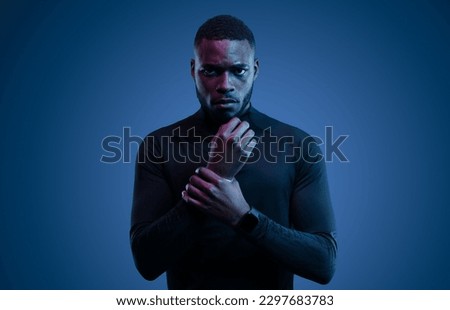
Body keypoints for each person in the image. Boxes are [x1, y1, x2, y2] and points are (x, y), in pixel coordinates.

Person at [130, 15, 337, 289]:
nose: (225, 84)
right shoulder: (159, 146)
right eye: (211, 71)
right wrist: (217, 174)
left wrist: (243, 216)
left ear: (256, 69)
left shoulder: (298, 145)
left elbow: (323, 264)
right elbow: (147, 262)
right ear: (193, 69)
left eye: (238, 70)